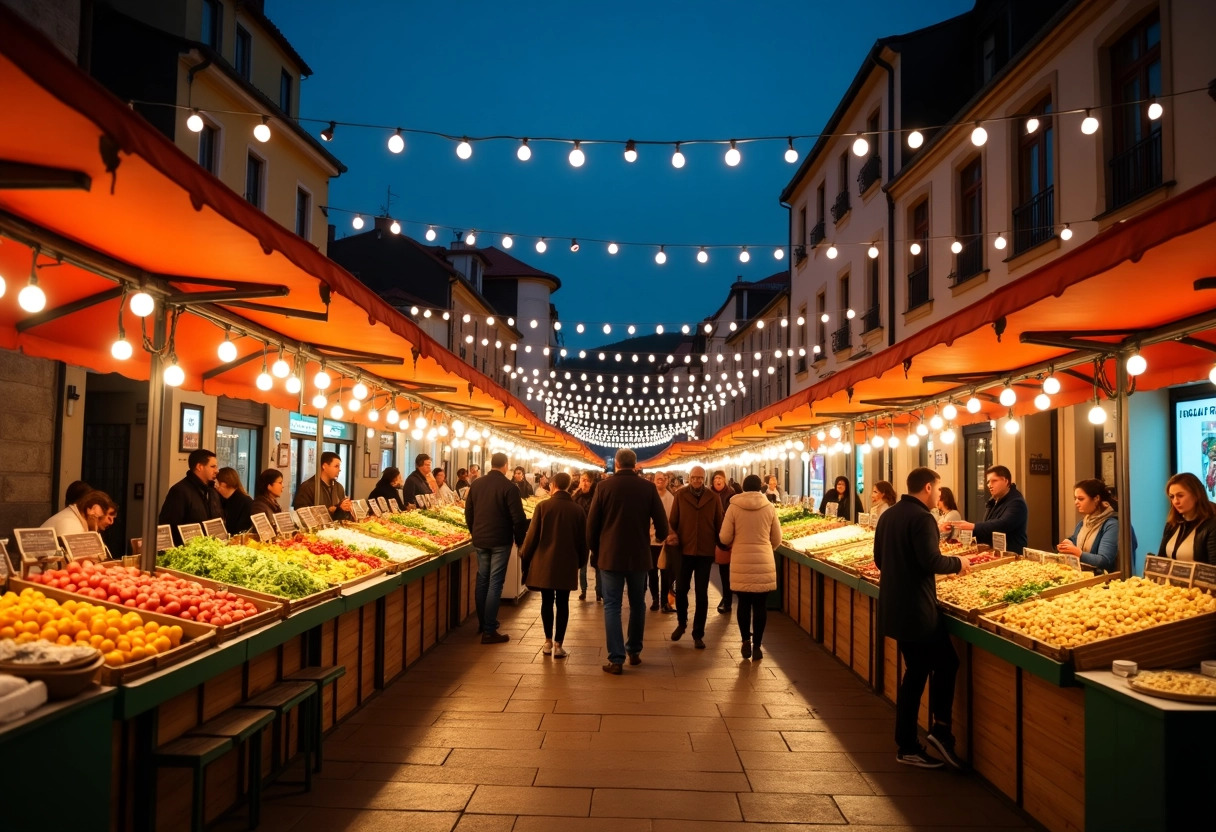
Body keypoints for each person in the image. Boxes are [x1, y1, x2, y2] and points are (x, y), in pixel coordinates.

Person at [875, 467, 970, 770]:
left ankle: (928, 734)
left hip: (896, 606)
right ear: (928, 488)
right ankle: (922, 738)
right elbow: (932, 560)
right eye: (938, 489)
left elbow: (879, 559)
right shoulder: (922, 518)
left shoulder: (890, 515)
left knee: (921, 670)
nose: (939, 495)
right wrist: (960, 563)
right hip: (918, 610)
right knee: (929, 669)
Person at [587, 448, 669, 674]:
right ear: (634, 465)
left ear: (617, 464)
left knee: (612, 606)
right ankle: (634, 650)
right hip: (639, 555)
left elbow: (592, 524)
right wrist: (660, 537)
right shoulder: (648, 488)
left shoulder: (604, 487)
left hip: (611, 555)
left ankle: (616, 658)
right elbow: (662, 523)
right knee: (638, 603)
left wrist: (596, 550)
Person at [518, 472, 586, 658]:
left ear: (554, 485)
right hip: (567, 562)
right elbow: (582, 541)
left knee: (546, 601)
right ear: (569, 486)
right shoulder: (578, 510)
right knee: (563, 603)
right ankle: (558, 645)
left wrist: (524, 554)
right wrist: (581, 561)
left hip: (544, 563)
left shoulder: (542, 506)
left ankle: (547, 642)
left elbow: (531, 537)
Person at [464, 452, 528, 644]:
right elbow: (518, 518)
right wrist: (520, 540)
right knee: (495, 582)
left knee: (482, 579)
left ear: (491, 464)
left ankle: (483, 624)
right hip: (500, 540)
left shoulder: (476, 484)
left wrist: (474, 532)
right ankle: (490, 630)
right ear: (506, 466)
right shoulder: (510, 487)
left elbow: (469, 512)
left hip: (481, 540)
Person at [719, 475, 782, 661]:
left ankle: (745, 640)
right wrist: (765, 547)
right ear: (761, 487)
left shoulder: (734, 507)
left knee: (744, 604)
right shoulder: (769, 507)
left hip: (741, 562)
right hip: (764, 561)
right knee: (760, 606)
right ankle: (757, 646)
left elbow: (725, 537)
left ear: (744, 488)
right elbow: (777, 538)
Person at [667, 465, 726, 649]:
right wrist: (672, 535)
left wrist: (723, 543)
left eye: (700, 478)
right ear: (689, 478)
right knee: (682, 589)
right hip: (684, 551)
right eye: (694, 478)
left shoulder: (713, 497)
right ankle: (682, 623)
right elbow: (672, 522)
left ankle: (698, 633)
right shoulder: (680, 496)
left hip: (705, 552)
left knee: (702, 593)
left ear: (704, 479)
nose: (697, 481)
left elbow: (720, 522)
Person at [942, 465, 1028, 554]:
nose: (989, 485)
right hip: (994, 553)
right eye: (988, 482)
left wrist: (973, 527)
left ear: (1006, 481)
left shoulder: (1017, 502)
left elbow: (1003, 524)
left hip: (1012, 555)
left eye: (994, 481)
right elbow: (987, 527)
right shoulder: (994, 501)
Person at [1056, 479, 1134, 573]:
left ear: (1096, 498)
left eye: (1081, 499)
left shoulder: (1112, 525)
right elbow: (1075, 539)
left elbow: (1104, 560)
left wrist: (1079, 554)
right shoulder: (1083, 523)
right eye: (1075, 498)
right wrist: (1068, 542)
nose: (1076, 502)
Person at [159, 449, 223, 543]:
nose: (217, 471)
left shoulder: (212, 491)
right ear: (199, 467)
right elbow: (169, 527)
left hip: (212, 547)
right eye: (212, 466)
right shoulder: (179, 491)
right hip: (188, 550)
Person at [1156, 472, 1216, 564]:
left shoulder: (1212, 525)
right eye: (1172, 497)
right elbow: (1161, 560)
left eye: (1180, 495)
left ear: (1196, 495)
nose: (1175, 501)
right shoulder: (1172, 524)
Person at [294, 451, 352, 522]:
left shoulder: (339, 487)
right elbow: (301, 513)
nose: (339, 470)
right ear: (324, 466)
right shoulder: (308, 487)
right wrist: (328, 511)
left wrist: (344, 508)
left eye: (339, 466)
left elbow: (341, 517)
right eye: (336, 466)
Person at [573, 471, 602, 602]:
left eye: (587, 480)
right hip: (581, 534)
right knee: (583, 565)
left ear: (591, 482)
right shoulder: (575, 496)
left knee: (597, 564)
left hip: (595, 534)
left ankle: (599, 591)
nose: (584, 482)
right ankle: (583, 590)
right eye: (582, 479)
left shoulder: (596, 496)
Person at [710, 470, 735, 614]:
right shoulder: (708, 495)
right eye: (715, 478)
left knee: (726, 570)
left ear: (724, 480)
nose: (718, 480)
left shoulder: (731, 495)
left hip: (727, 537)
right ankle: (726, 597)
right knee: (721, 570)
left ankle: (727, 599)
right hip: (711, 536)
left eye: (720, 478)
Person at [651, 471, 676, 613]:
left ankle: (665, 601)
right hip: (651, 541)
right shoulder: (650, 496)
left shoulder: (670, 498)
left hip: (665, 541)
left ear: (666, 481)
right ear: (654, 480)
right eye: (658, 479)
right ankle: (655, 599)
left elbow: (672, 519)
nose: (660, 481)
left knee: (665, 572)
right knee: (652, 572)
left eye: (663, 479)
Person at [43, 489, 110, 537]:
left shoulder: (73, 517)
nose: (97, 523)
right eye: (99, 518)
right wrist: (93, 531)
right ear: (90, 510)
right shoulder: (72, 523)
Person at [216, 467, 254, 536]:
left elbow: (242, 530)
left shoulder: (245, 501)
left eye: (216, 483)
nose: (215, 486)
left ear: (223, 484)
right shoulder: (223, 499)